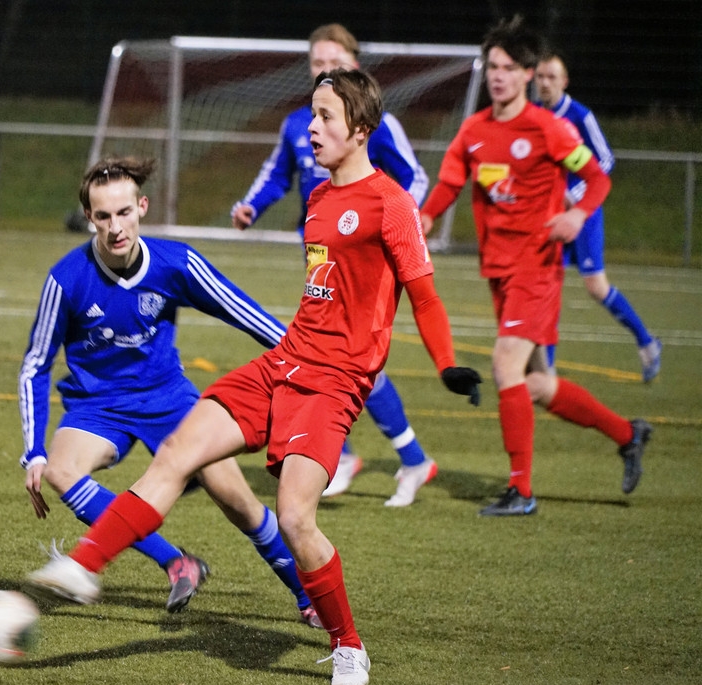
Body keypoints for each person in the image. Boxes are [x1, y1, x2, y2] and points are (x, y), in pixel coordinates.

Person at [28, 69, 483, 685]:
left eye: (324, 116)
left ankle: (347, 644)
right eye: (311, 113)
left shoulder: (391, 203)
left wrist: (447, 363)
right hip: (284, 363)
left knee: (295, 517)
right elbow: (322, 297)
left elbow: (424, 296)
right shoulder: (318, 200)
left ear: (360, 129)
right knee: (178, 453)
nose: (310, 128)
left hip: (333, 383)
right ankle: (85, 566)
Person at [19, 155, 322, 627]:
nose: (116, 227)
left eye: (124, 212)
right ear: (89, 217)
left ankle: (308, 598)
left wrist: (310, 363)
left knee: (239, 503)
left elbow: (243, 312)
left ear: (142, 207)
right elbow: (36, 364)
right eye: (104, 216)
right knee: (60, 469)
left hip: (169, 400)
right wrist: (33, 451)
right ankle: (177, 562)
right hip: (97, 406)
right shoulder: (67, 278)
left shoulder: (176, 263)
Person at [418, 16, 653, 517]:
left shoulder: (549, 129)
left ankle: (521, 491)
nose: (498, 76)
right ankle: (628, 434)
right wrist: (426, 216)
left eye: (508, 68)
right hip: (499, 271)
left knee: (505, 364)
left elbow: (597, 179)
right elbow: (450, 182)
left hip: (538, 268)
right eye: (493, 67)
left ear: (528, 73)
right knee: (536, 384)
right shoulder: (474, 130)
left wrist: (577, 214)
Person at [231, 22, 437, 506]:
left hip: (366, 263)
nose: (323, 69)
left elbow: (414, 177)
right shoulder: (298, 125)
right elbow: (276, 175)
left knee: (346, 360)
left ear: (354, 66)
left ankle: (393, 458)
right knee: (325, 359)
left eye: (334, 62)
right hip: (320, 260)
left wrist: (403, 225)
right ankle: (366, 457)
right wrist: (251, 207)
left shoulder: (370, 124)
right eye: (317, 63)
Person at [533, 50, 662, 382]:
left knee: (595, 286)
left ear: (564, 81)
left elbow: (605, 160)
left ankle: (647, 342)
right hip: (551, 217)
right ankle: (547, 370)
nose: (545, 83)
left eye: (551, 77)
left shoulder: (579, 115)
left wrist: (575, 196)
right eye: (540, 77)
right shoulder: (532, 114)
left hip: (583, 214)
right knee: (547, 288)